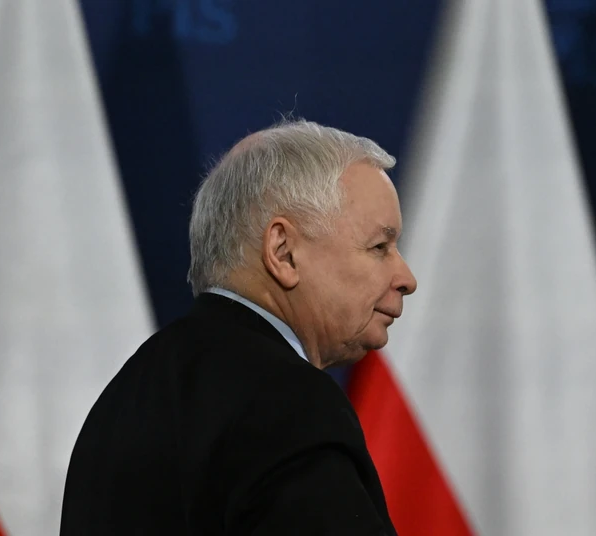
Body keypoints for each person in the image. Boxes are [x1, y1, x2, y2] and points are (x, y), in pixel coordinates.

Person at [60, 119, 417, 535]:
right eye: (379, 247)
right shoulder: (287, 401)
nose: (406, 278)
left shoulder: (125, 397)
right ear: (283, 252)